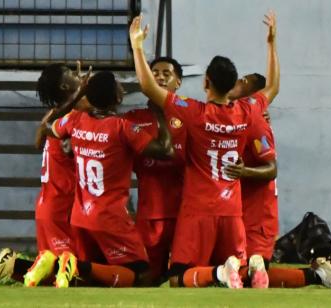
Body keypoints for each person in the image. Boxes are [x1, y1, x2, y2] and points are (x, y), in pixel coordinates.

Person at [130, 15, 274, 289]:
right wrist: (271, 44)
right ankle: (240, 268)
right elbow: (273, 87)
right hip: (232, 211)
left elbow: (148, 87)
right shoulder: (247, 110)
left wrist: (137, 46)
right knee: (235, 273)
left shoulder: (195, 113)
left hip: (197, 209)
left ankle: (221, 272)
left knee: (177, 278)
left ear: (205, 82)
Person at [226, 12, 331, 289]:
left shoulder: (255, 116)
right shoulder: (233, 114)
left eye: (242, 81)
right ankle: (314, 272)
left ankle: (312, 274)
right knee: (240, 270)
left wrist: (272, 46)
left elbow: (273, 86)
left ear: (251, 93)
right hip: (238, 202)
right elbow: (272, 87)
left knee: (248, 274)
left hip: (257, 204)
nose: (236, 83)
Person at [39, 70, 174, 288]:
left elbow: (49, 129)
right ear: (117, 98)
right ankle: (73, 266)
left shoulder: (75, 120)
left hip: (80, 216)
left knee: (90, 279)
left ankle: (54, 267)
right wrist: (160, 113)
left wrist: (73, 143)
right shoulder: (122, 128)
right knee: (143, 274)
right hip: (110, 216)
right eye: (119, 85)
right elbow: (165, 150)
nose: (122, 88)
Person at [0, 62, 89, 287]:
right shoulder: (74, 118)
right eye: (72, 76)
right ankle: (7, 263)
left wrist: (77, 92)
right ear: (65, 86)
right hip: (63, 205)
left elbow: (38, 139)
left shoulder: (53, 117)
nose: (78, 78)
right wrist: (82, 93)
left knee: (51, 272)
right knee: (69, 273)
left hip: (47, 203)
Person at [124, 56, 186, 286]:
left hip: (185, 214)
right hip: (149, 214)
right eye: (154, 73)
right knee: (146, 280)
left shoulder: (189, 116)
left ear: (178, 82)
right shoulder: (133, 119)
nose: (159, 77)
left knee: (181, 280)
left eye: (166, 74)